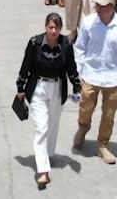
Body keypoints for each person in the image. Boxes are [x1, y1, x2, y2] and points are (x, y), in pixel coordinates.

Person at [71, 0, 117, 166]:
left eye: (102, 6)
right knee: (85, 107)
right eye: (97, 5)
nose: (97, 8)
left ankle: (102, 144)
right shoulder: (88, 23)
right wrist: (77, 72)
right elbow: (79, 48)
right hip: (90, 74)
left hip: (113, 77)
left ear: (111, 7)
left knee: (108, 114)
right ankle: (83, 127)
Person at [16, 12, 81, 190]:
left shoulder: (66, 44)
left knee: (53, 124)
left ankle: (48, 153)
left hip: (57, 87)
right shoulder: (35, 43)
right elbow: (26, 65)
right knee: (41, 127)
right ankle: (43, 169)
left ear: (60, 29)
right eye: (50, 27)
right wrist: (20, 87)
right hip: (38, 87)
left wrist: (77, 86)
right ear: (45, 27)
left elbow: (71, 67)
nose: (53, 31)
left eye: (56, 28)